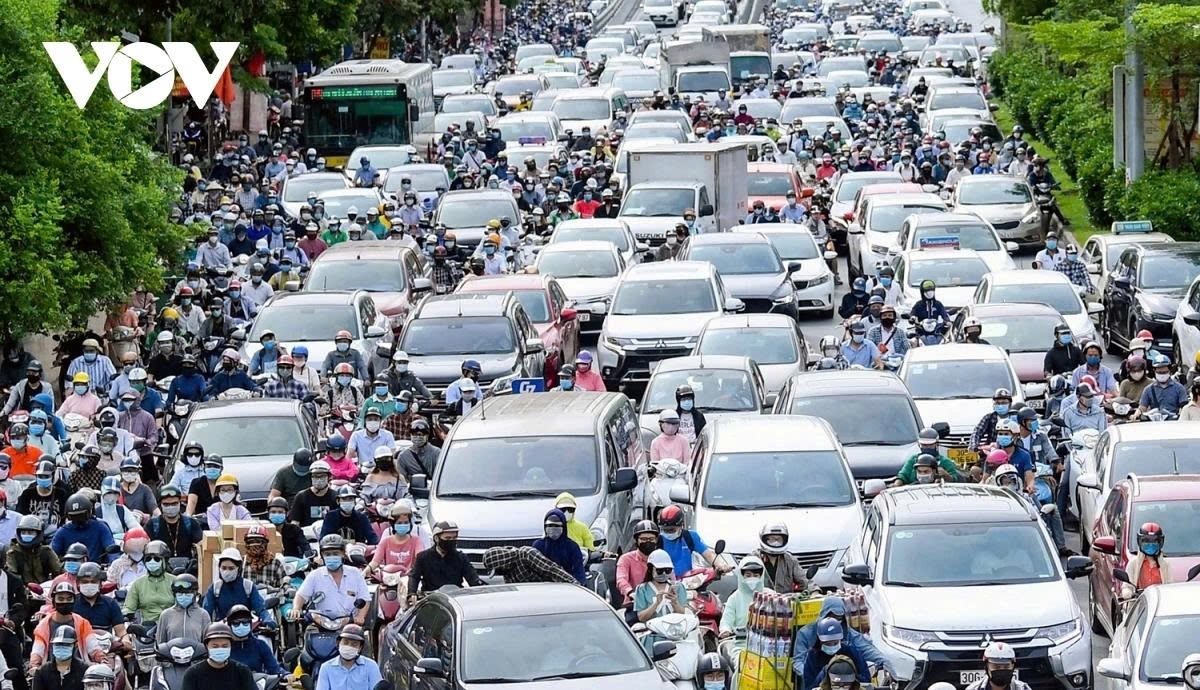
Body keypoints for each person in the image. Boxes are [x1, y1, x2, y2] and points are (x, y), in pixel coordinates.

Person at [289, 535, 370, 625]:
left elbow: (365, 598)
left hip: (348, 624)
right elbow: (301, 595)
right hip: (321, 623)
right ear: (322, 555)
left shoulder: (355, 573)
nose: (331, 557)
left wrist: (360, 617)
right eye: (327, 554)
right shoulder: (315, 575)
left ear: (343, 554)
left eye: (335, 554)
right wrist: (296, 609)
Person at [31, 582, 102, 668]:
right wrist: (34, 666)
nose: (65, 602)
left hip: (79, 670)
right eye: (60, 599)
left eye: (69, 599)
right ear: (54, 601)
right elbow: (37, 652)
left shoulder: (82, 623)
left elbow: (93, 647)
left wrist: (103, 660)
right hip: (51, 671)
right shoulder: (43, 626)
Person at [407, 521, 482, 595]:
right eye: (447, 538)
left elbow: (473, 579)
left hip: (455, 597)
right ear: (436, 538)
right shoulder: (423, 557)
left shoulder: (461, 558)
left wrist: (480, 589)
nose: (451, 541)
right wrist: (412, 593)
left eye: (454, 538)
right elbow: (414, 577)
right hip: (431, 598)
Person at [657, 504, 731, 578]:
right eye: (665, 530)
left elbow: (708, 555)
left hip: (687, 581)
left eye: (672, 530)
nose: (668, 533)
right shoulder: (657, 540)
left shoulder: (690, 537)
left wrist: (720, 565)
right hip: (664, 581)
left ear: (681, 526)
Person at [203, 548, 273, 624]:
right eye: (224, 568)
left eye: (231, 568)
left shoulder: (248, 586)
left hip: (245, 627)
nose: (227, 572)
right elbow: (206, 613)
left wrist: (267, 618)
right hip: (222, 628)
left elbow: (260, 608)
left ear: (238, 569)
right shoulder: (215, 588)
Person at [797, 619, 871, 690]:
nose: (832, 646)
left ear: (840, 639)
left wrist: (849, 673)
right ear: (820, 641)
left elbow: (867, 680)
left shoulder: (851, 651)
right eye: (827, 643)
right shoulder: (813, 657)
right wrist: (824, 673)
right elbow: (808, 687)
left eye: (835, 642)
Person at [179, 623, 256, 690]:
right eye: (215, 646)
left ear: (230, 646)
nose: (220, 649)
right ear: (207, 646)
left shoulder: (242, 671)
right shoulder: (193, 674)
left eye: (225, 646)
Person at [719, 555, 772, 641]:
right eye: (748, 575)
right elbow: (726, 620)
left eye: (756, 575)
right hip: (741, 641)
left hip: (766, 641)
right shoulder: (734, 598)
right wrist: (725, 630)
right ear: (741, 576)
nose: (752, 578)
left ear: (761, 576)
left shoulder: (770, 595)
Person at [52, 493, 115, 563]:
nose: (78, 519)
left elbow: (111, 549)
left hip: (95, 567)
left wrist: (114, 562)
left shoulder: (101, 527)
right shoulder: (63, 532)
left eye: (81, 515)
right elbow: (51, 553)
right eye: (74, 516)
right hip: (70, 568)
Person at [314, 624, 381, 690]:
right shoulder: (326, 668)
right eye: (345, 642)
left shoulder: (371, 666)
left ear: (360, 648)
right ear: (339, 643)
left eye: (354, 644)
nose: (349, 647)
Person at [123, 540, 175, 623]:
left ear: (165, 561)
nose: (152, 562)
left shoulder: (175, 581)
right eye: (148, 559)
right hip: (148, 626)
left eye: (157, 559)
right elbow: (129, 608)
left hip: (172, 625)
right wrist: (125, 614)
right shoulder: (138, 583)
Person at [145, 486, 204, 559]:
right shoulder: (152, 525)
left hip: (187, 564)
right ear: (160, 505)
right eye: (166, 504)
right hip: (160, 563)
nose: (170, 507)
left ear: (180, 503)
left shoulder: (191, 523)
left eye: (174, 503)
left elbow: (201, 545)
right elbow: (144, 546)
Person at [6, 514, 60, 592]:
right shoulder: (12, 553)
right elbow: (13, 576)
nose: (26, 535)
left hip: (45, 591)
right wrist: (25, 589)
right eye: (23, 532)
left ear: (39, 533)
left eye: (31, 532)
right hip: (21, 591)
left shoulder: (46, 551)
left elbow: (59, 571)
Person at [633, 549, 687, 626]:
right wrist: (656, 603)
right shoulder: (642, 589)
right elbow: (641, 617)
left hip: (674, 630)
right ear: (651, 569)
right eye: (660, 571)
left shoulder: (678, 587)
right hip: (652, 631)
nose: (664, 574)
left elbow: (682, 614)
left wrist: (675, 602)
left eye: (668, 570)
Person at [532, 509, 586, 585]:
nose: (553, 528)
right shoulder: (538, 545)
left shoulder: (572, 547)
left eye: (557, 526)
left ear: (563, 527)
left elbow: (579, 571)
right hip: (543, 586)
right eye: (549, 526)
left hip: (568, 585)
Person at [226, 605, 283, 675]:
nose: (241, 626)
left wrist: (285, 675)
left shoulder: (260, 645)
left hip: (257, 681)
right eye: (236, 623)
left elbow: (274, 668)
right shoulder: (224, 646)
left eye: (245, 622)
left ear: (250, 624)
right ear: (229, 625)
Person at [72, 562, 125, 636]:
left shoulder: (110, 604)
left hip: (104, 642)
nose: (89, 584)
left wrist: (125, 639)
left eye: (93, 582)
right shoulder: (71, 603)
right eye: (85, 582)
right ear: (78, 584)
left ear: (100, 584)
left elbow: (121, 631)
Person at [156, 574, 210, 644]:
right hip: (172, 650)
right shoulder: (166, 615)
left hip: (195, 650)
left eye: (188, 594)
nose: (183, 596)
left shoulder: (203, 614)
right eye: (180, 594)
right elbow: (160, 643)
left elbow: (207, 642)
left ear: (194, 594)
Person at [754, 523, 808, 593]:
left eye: (779, 539)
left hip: (785, 599)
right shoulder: (753, 559)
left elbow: (804, 580)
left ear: (784, 540)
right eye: (772, 539)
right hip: (760, 598)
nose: (776, 543)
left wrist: (815, 591)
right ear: (764, 539)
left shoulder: (790, 560)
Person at [896, 428, 961, 485]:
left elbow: (955, 479)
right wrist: (897, 484)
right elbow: (902, 476)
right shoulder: (913, 460)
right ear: (919, 445)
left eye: (930, 445)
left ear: (937, 444)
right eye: (924, 445)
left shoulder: (945, 462)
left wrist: (946, 475)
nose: (927, 447)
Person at [617, 520, 659, 606]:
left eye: (651, 539)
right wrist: (630, 592)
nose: (647, 542)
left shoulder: (662, 558)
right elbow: (621, 580)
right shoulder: (625, 559)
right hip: (634, 603)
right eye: (643, 539)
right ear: (636, 540)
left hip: (659, 603)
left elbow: (671, 578)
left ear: (656, 540)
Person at [1121, 522, 1170, 597]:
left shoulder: (1165, 564)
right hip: (1140, 601)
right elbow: (1127, 586)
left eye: (1155, 541)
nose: (1151, 545)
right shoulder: (1134, 563)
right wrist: (1127, 593)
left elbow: (1170, 585)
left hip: (1159, 601)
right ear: (1140, 542)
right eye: (1146, 541)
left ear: (1160, 542)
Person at [31, 626, 88, 690]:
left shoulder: (85, 670)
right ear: (52, 645)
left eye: (66, 644)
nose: (61, 647)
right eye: (57, 644)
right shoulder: (42, 672)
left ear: (75, 645)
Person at [288, 460, 338, 528]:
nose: (319, 479)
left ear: (329, 477)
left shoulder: (335, 496)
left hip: (330, 533)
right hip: (306, 532)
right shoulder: (301, 497)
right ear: (310, 478)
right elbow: (295, 522)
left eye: (322, 476)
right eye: (315, 476)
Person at [963, 642, 1032, 690]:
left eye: (1006, 667)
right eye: (996, 667)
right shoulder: (973, 689)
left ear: (1013, 667)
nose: (1001, 670)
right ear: (986, 667)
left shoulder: (1023, 688)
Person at [969, 388, 1013, 455]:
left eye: (1004, 403)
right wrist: (974, 446)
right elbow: (977, 432)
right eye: (998, 403)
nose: (1000, 405)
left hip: (1012, 452)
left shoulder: (1015, 417)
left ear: (1010, 404)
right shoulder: (989, 418)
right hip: (991, 453)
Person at [95, 476, 138, 542]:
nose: (112, 496)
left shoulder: (122, 510)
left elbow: (136, 528)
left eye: (115, 493)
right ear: (103, 491)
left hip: (122, 543)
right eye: (109, 492)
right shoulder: (95, 511)